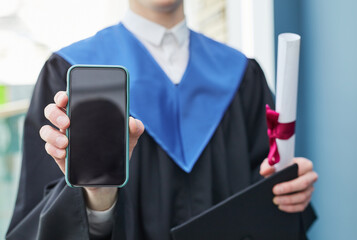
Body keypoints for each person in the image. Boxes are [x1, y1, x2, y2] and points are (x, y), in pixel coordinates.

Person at [6, 0, 318, 239]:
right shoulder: (67, 74)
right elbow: (38, 224)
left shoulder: (242, 76)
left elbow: (270, 200)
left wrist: (287, 193)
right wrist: (94, 202)